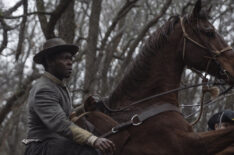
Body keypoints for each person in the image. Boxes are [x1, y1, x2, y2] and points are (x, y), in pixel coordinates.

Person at [23, 38, 115, 155]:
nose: (70, 62)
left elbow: (68, 115)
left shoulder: (59, 86)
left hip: (56, 143)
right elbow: (60, 123)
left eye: (71, 58)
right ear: (50, 61)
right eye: (64, 58)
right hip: (41, 146)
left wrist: (84, 108)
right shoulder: (44, 90)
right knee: (90, 152)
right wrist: (93, 140)